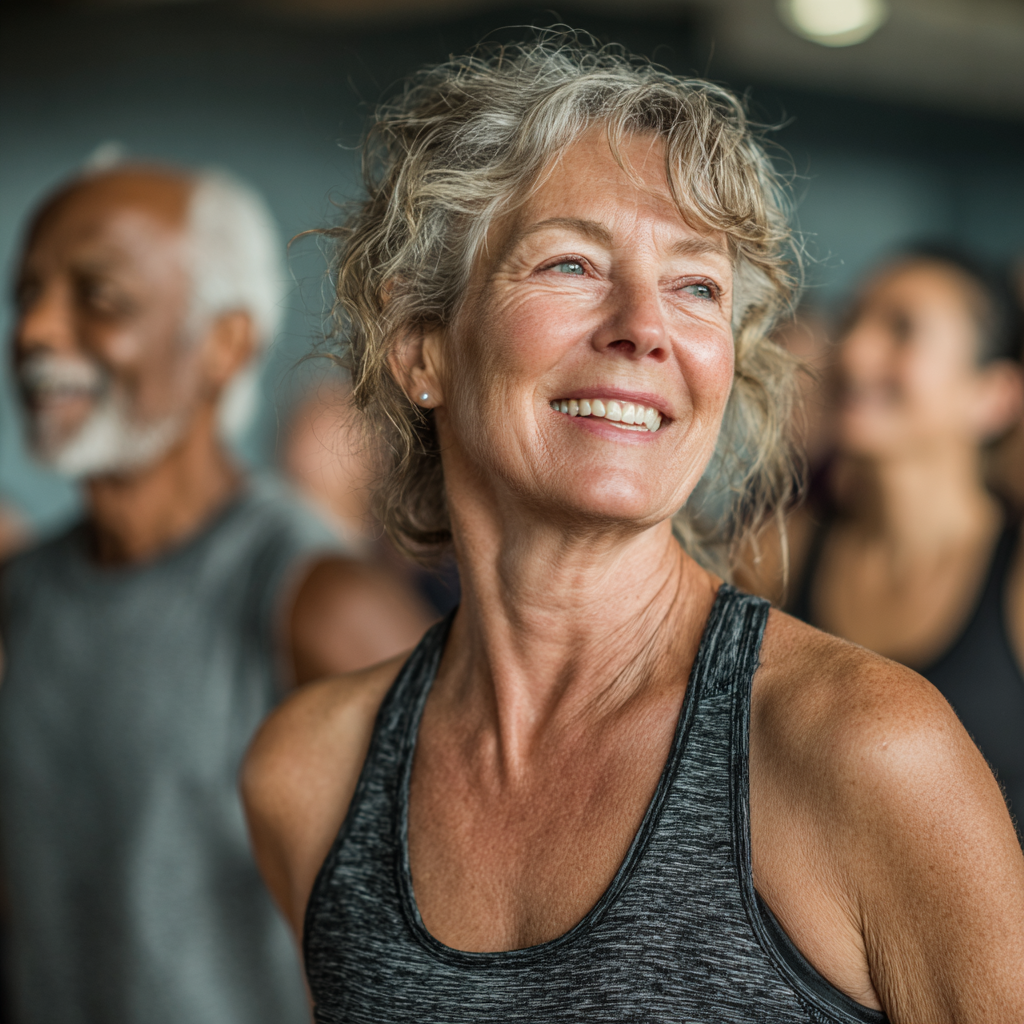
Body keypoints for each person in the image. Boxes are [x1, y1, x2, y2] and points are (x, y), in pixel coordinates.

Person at [242, 38, 1024, 1024]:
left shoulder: (864, 751)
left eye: (695, 285)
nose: (643, 327)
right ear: (421, 347)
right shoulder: (309, 774)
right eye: (572, 262)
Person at [0, 163, 433, 1024]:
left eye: (100, 298)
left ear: (225, 344)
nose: (38, 332)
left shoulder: (317, 601)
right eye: (28, 296)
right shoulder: (24, 598)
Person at [783, 247, 1024, 843]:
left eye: (901, 330)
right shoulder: (774, 554)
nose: (856, 351)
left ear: (992, 395)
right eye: (854, 319)